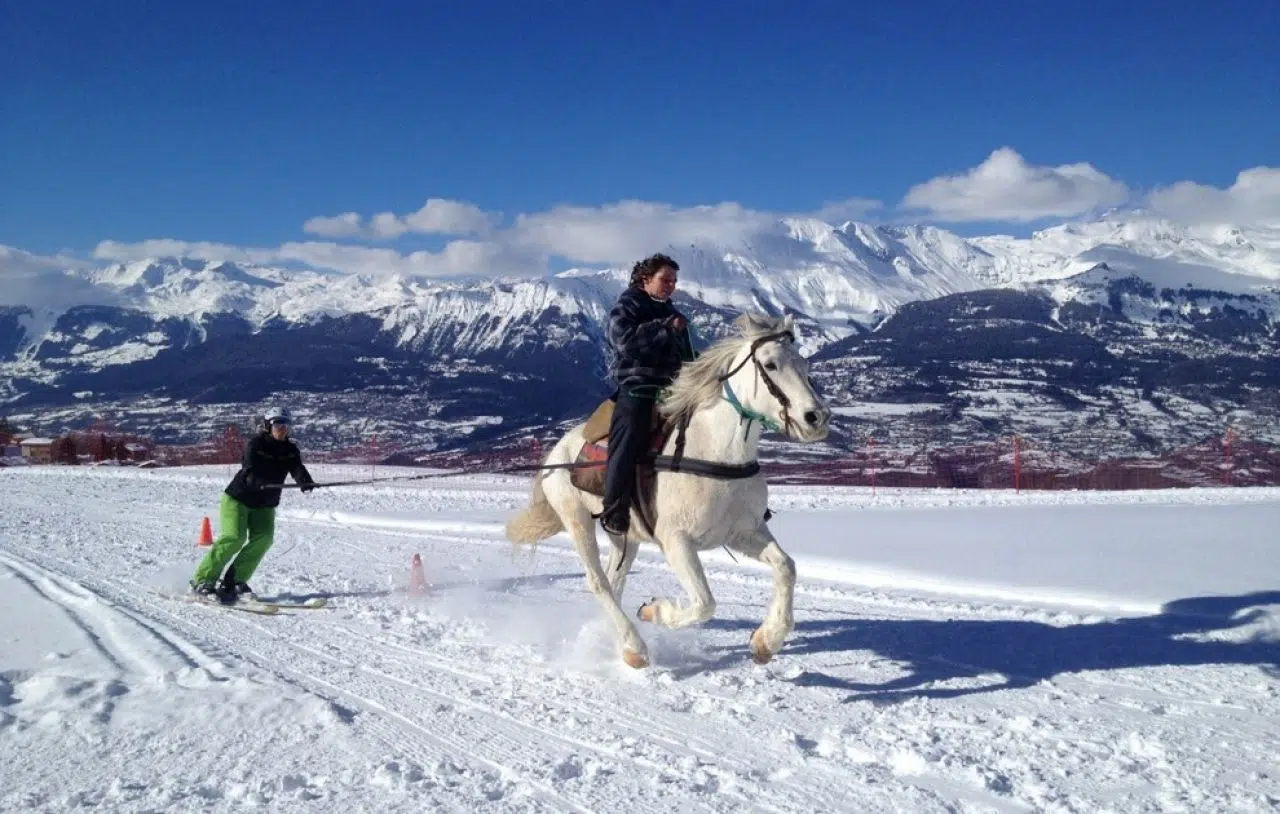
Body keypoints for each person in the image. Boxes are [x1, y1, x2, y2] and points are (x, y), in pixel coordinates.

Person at [600, 253, 694, 537]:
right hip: (638, 385)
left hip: (672, 387)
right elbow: (624, 341)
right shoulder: (627, 305)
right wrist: (663, 328)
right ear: (645, 279)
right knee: (629, 433)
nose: (671, 286)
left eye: (674, 281)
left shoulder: (669, 309)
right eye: (665, 279)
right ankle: (614, 506)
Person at [190, 406, 315, 601]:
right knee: (234, 537)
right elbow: (248, 468)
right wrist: (258, 481)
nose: (282, 428)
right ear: (268, 426)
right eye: (277, 424)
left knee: (264, 538)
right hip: (239, 498)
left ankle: (234, 581)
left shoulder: (290, 449)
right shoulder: (256, 444)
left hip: (266, 502)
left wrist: (304, 481)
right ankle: (203, 580)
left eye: (285, 424)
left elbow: (296, 467)